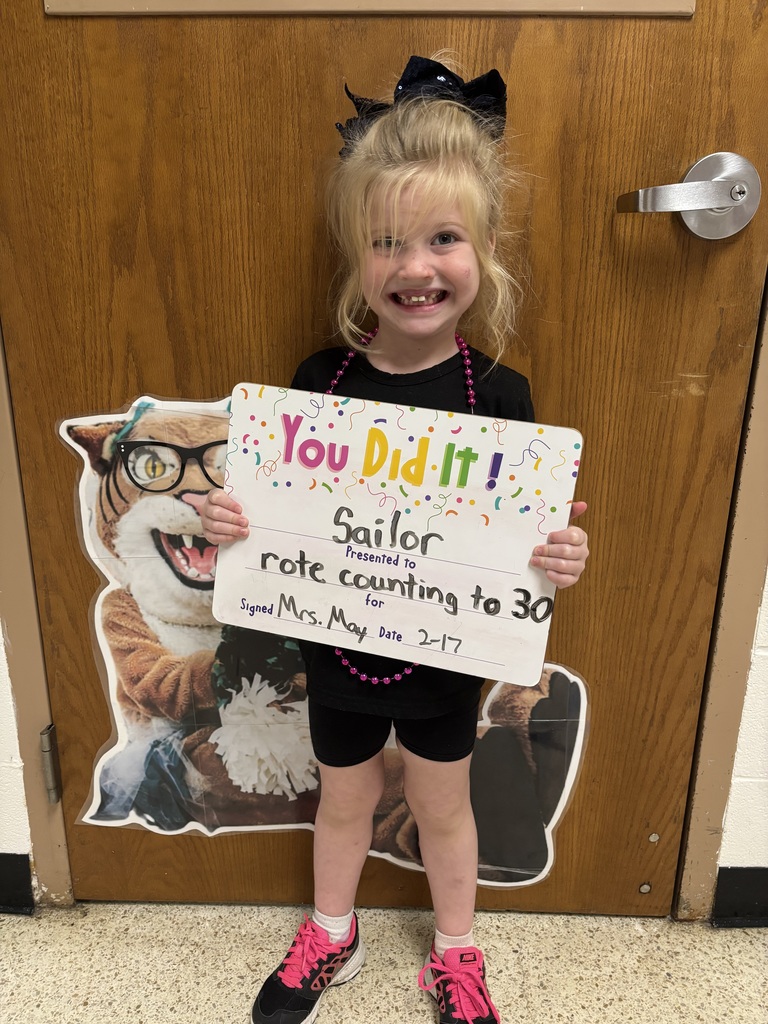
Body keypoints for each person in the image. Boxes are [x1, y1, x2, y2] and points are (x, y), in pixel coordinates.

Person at [194, 55, 589, 1024]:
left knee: (446, 806)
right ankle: (334, 930)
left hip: (447, 657)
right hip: (337, 650)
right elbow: (279, 516)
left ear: (484, 246)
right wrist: (234, 526)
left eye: (443, 238)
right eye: (387, 243)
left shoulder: (501, 396)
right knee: (342, 800)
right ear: (358, 258)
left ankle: (457, 950)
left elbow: (521, 549)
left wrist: (557, 561)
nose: (416, 266)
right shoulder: (318, 381)